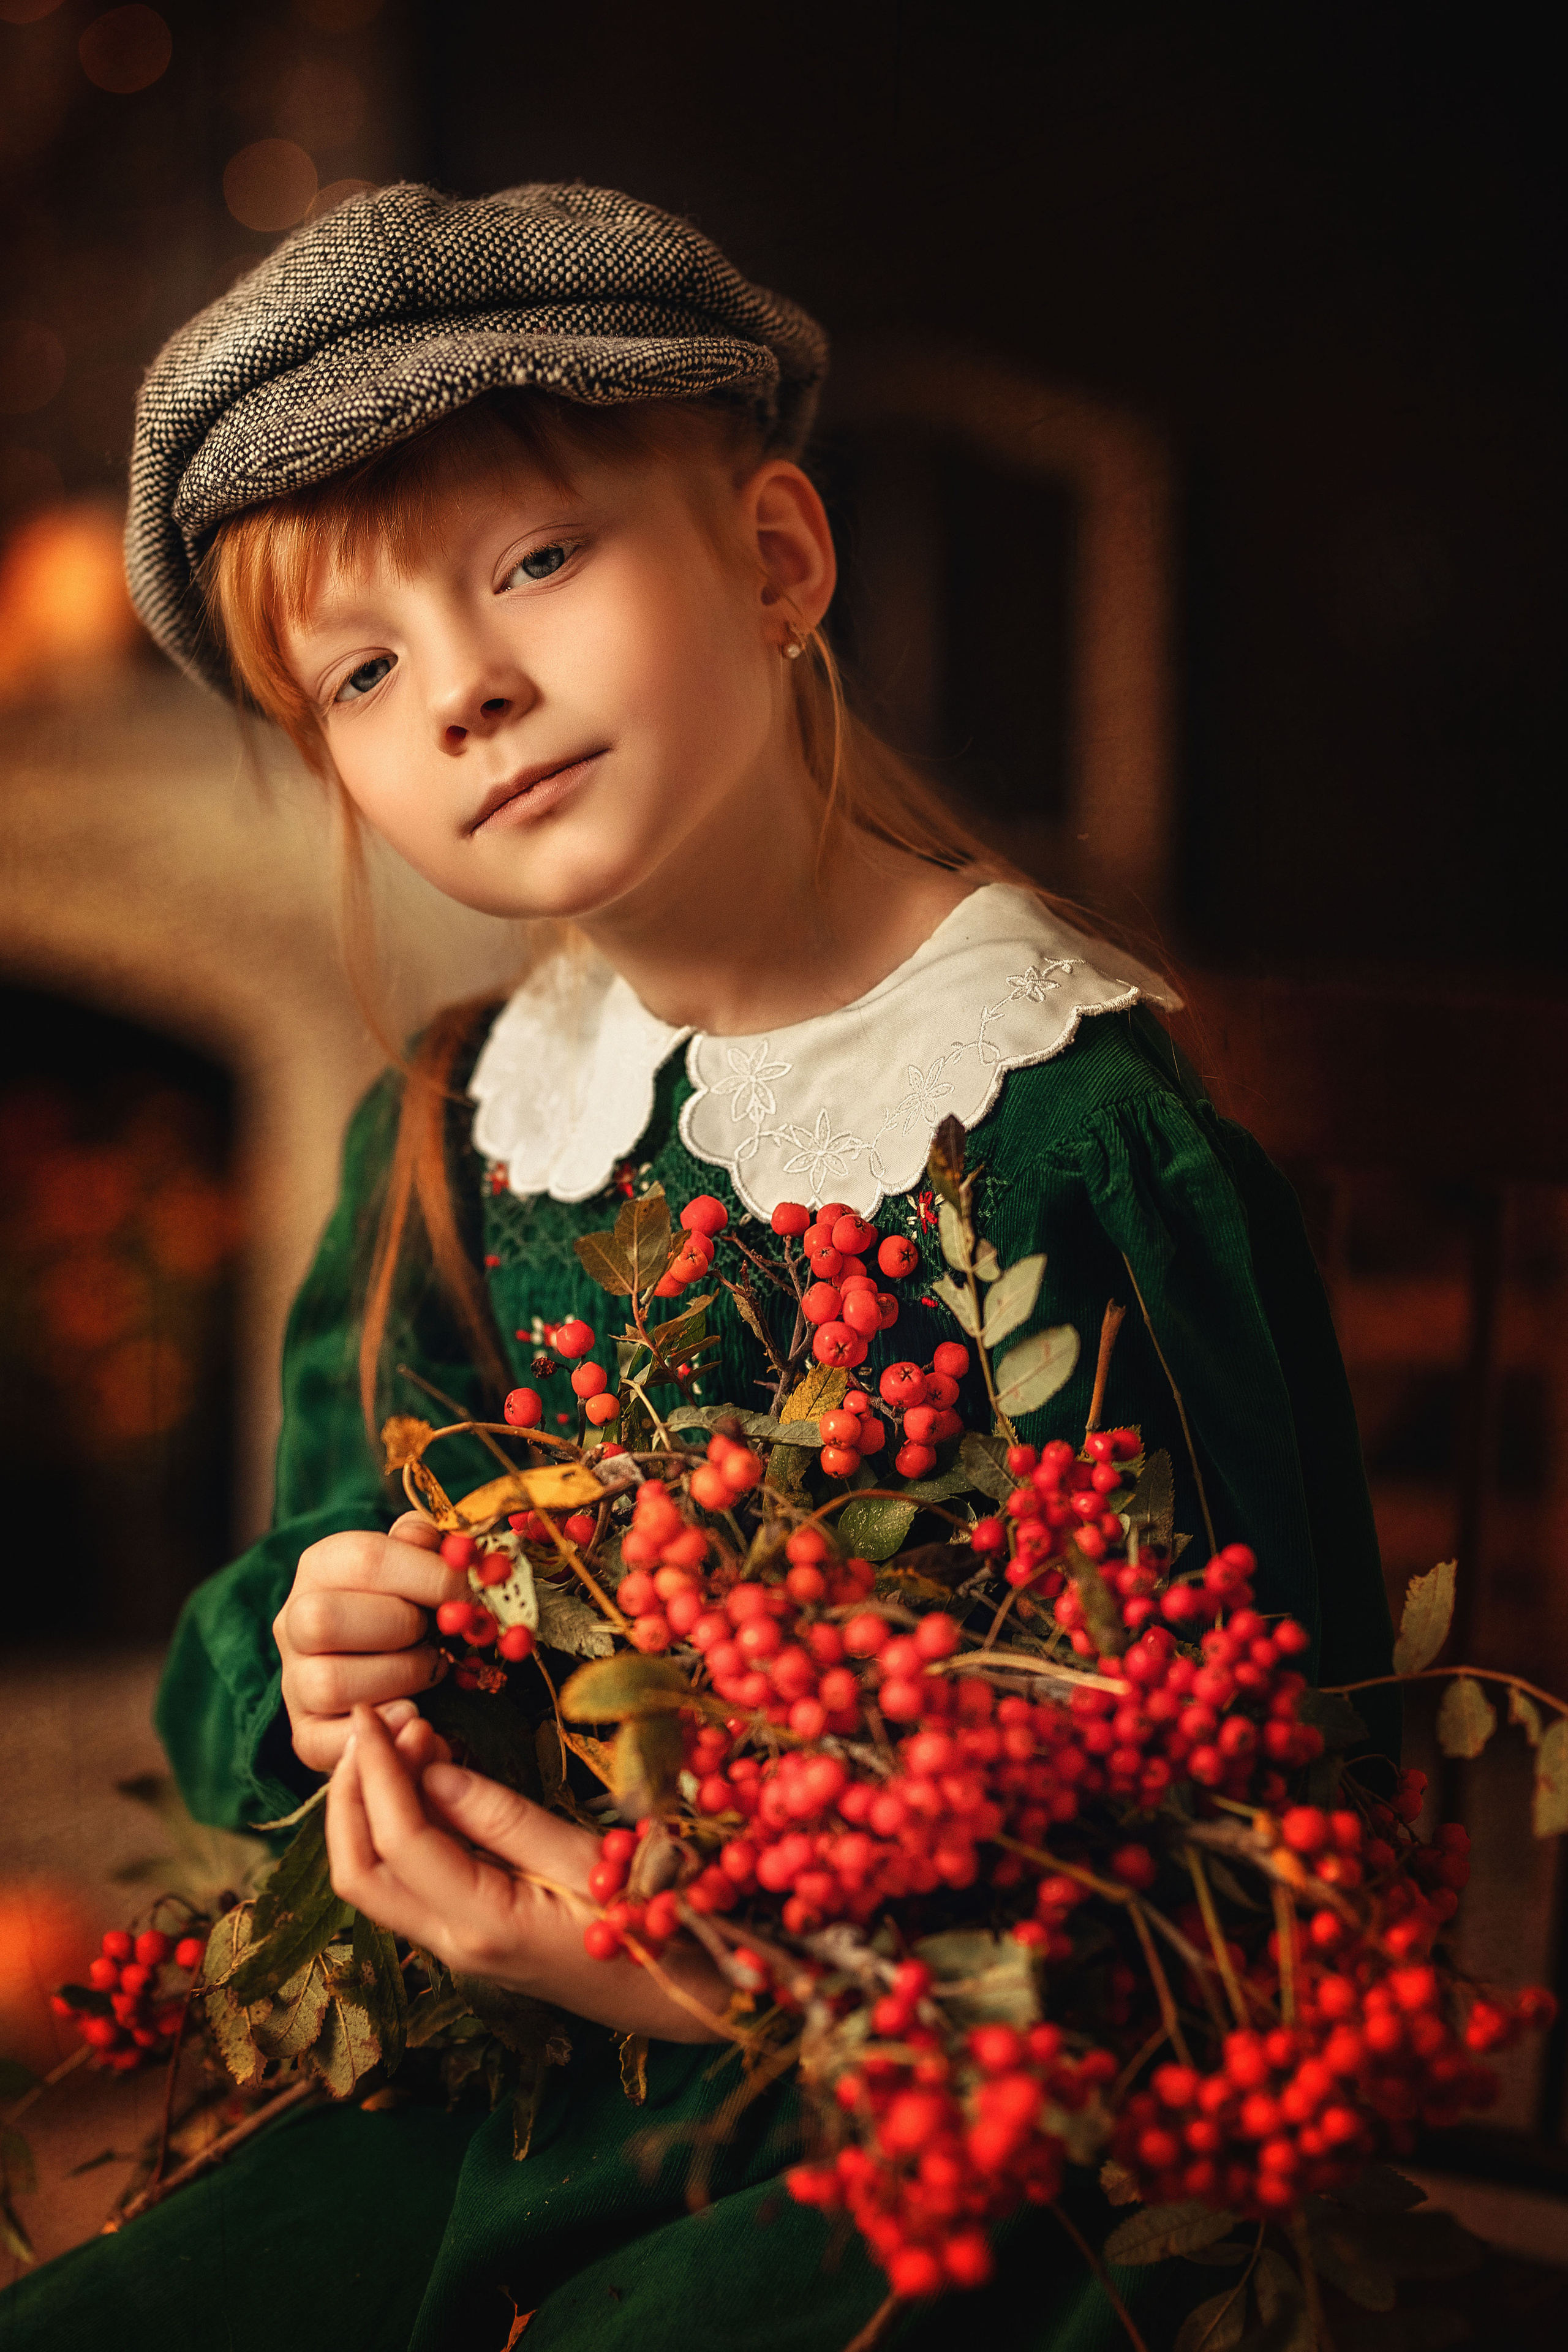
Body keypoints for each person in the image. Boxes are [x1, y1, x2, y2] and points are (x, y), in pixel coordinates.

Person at [2, 182, 1393, 2351]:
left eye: (536, 561)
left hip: (943, 2150)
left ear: (773, 562)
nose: (466, 689)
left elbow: (1268, 1851)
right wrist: (317, 1663)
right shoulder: (457, 1148)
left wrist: (730, 1967)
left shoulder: (1062, 1132)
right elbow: (247, 1672)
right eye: (362, 669)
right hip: (517, 2085)